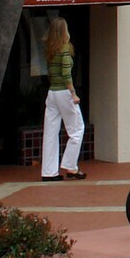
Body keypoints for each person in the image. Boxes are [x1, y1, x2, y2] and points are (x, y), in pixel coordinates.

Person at [41, 16, 86, 182]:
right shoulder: (65, 49)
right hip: (64, 93)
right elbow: (67, 74)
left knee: (50, 132)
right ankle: (70, 165)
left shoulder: (50, 49)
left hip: (52, 92)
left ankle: (48, 172)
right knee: (77, 129)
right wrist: (73, 93)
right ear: (64, 31)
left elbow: (52, 74)